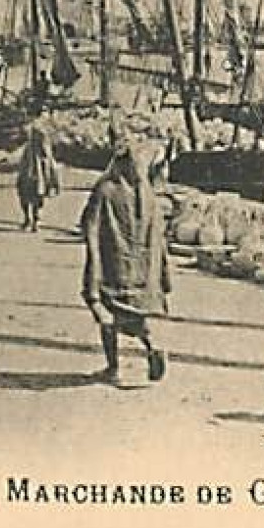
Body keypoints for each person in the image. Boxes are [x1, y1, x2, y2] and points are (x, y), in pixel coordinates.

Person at [79, 141, 170, 385]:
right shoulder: (148, 195)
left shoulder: (106, 190)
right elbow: (160, 236)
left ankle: (113, 367)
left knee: (107, 314)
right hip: (141, 274)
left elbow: (89, 223)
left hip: (113, 266)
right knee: (135, 316)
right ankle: (153, 347)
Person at [14, 121, 60, 231]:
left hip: (34, 173)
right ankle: (31, 220)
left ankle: (32, 220)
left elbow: (49, 159)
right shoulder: (29, 147)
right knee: (32, 195)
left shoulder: (36, 146)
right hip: (33, 173)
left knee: (30, 195)